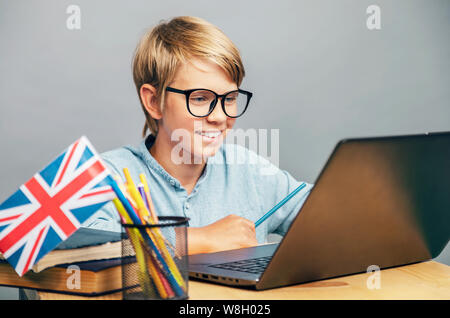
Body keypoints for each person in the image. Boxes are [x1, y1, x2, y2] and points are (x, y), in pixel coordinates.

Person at [83, 16, 313, 255]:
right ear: (153, 101)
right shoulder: (110, 174)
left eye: (230, 99)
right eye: (200, 98)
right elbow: (79, 244)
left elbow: (326, 212)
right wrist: (196, 240)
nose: (220, 117)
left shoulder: (249, 171)